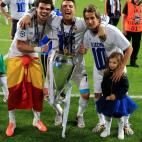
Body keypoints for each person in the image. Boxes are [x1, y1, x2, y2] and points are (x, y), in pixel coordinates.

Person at [19, 0, 109, 129]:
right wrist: (28, 14)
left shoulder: (82, 23)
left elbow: (104, 17)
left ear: (75, 9)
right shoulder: (54, 20)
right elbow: (39, 11)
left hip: (77, 65)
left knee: (85, 94)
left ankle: (79, 115)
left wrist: (102, 26)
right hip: (58, 65)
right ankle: (59, 112)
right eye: (65, 6)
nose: (68, 8)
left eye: (70, 6)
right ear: (60, 10)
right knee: (50, 96)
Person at [5, 0, 54, 137]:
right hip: (16, 55)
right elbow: (20, 45)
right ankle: (12, 122)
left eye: (47, 9)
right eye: (41, 8)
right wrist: (39, 49)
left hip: (32, 54)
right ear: (36, 9)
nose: (44, 11)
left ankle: (37, 120)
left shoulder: (51, 20)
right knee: (14, 89)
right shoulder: (25, 21)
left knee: (38, 89)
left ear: (50, 11)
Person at [83, 4, 134, 134]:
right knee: (98, 96)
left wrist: (121, 68)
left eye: (92, 18)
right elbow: (85, 47)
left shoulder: (111, 30)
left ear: (98, 18)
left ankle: (126, 124)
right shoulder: (87, 34)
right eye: (87, 18)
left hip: (117, 69)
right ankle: (102, 122)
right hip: (99, 70)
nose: (89, 21)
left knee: (122, 96)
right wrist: (81, 50)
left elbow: (129, 48)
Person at [96, 52, 137, 140]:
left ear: (119, 63)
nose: (111, 64)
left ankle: (121, 130)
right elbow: (103, 85)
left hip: (119, 99)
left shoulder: (122, 75)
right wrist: (106, 95)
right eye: (110, 62)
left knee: (119, 116)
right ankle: (107, 130)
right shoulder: (106, 73)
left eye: (114, 62)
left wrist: (116, 96)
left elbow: (125, 87)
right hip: (108, 98)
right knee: (107, 115)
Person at [122, 0, 142, 67]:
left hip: (138, 29)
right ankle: (122, 61)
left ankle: (133, 62)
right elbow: (124, 16)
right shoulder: (128, 3)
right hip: (128, 29)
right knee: (125, 45)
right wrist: (123, 28)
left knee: (136, 46)